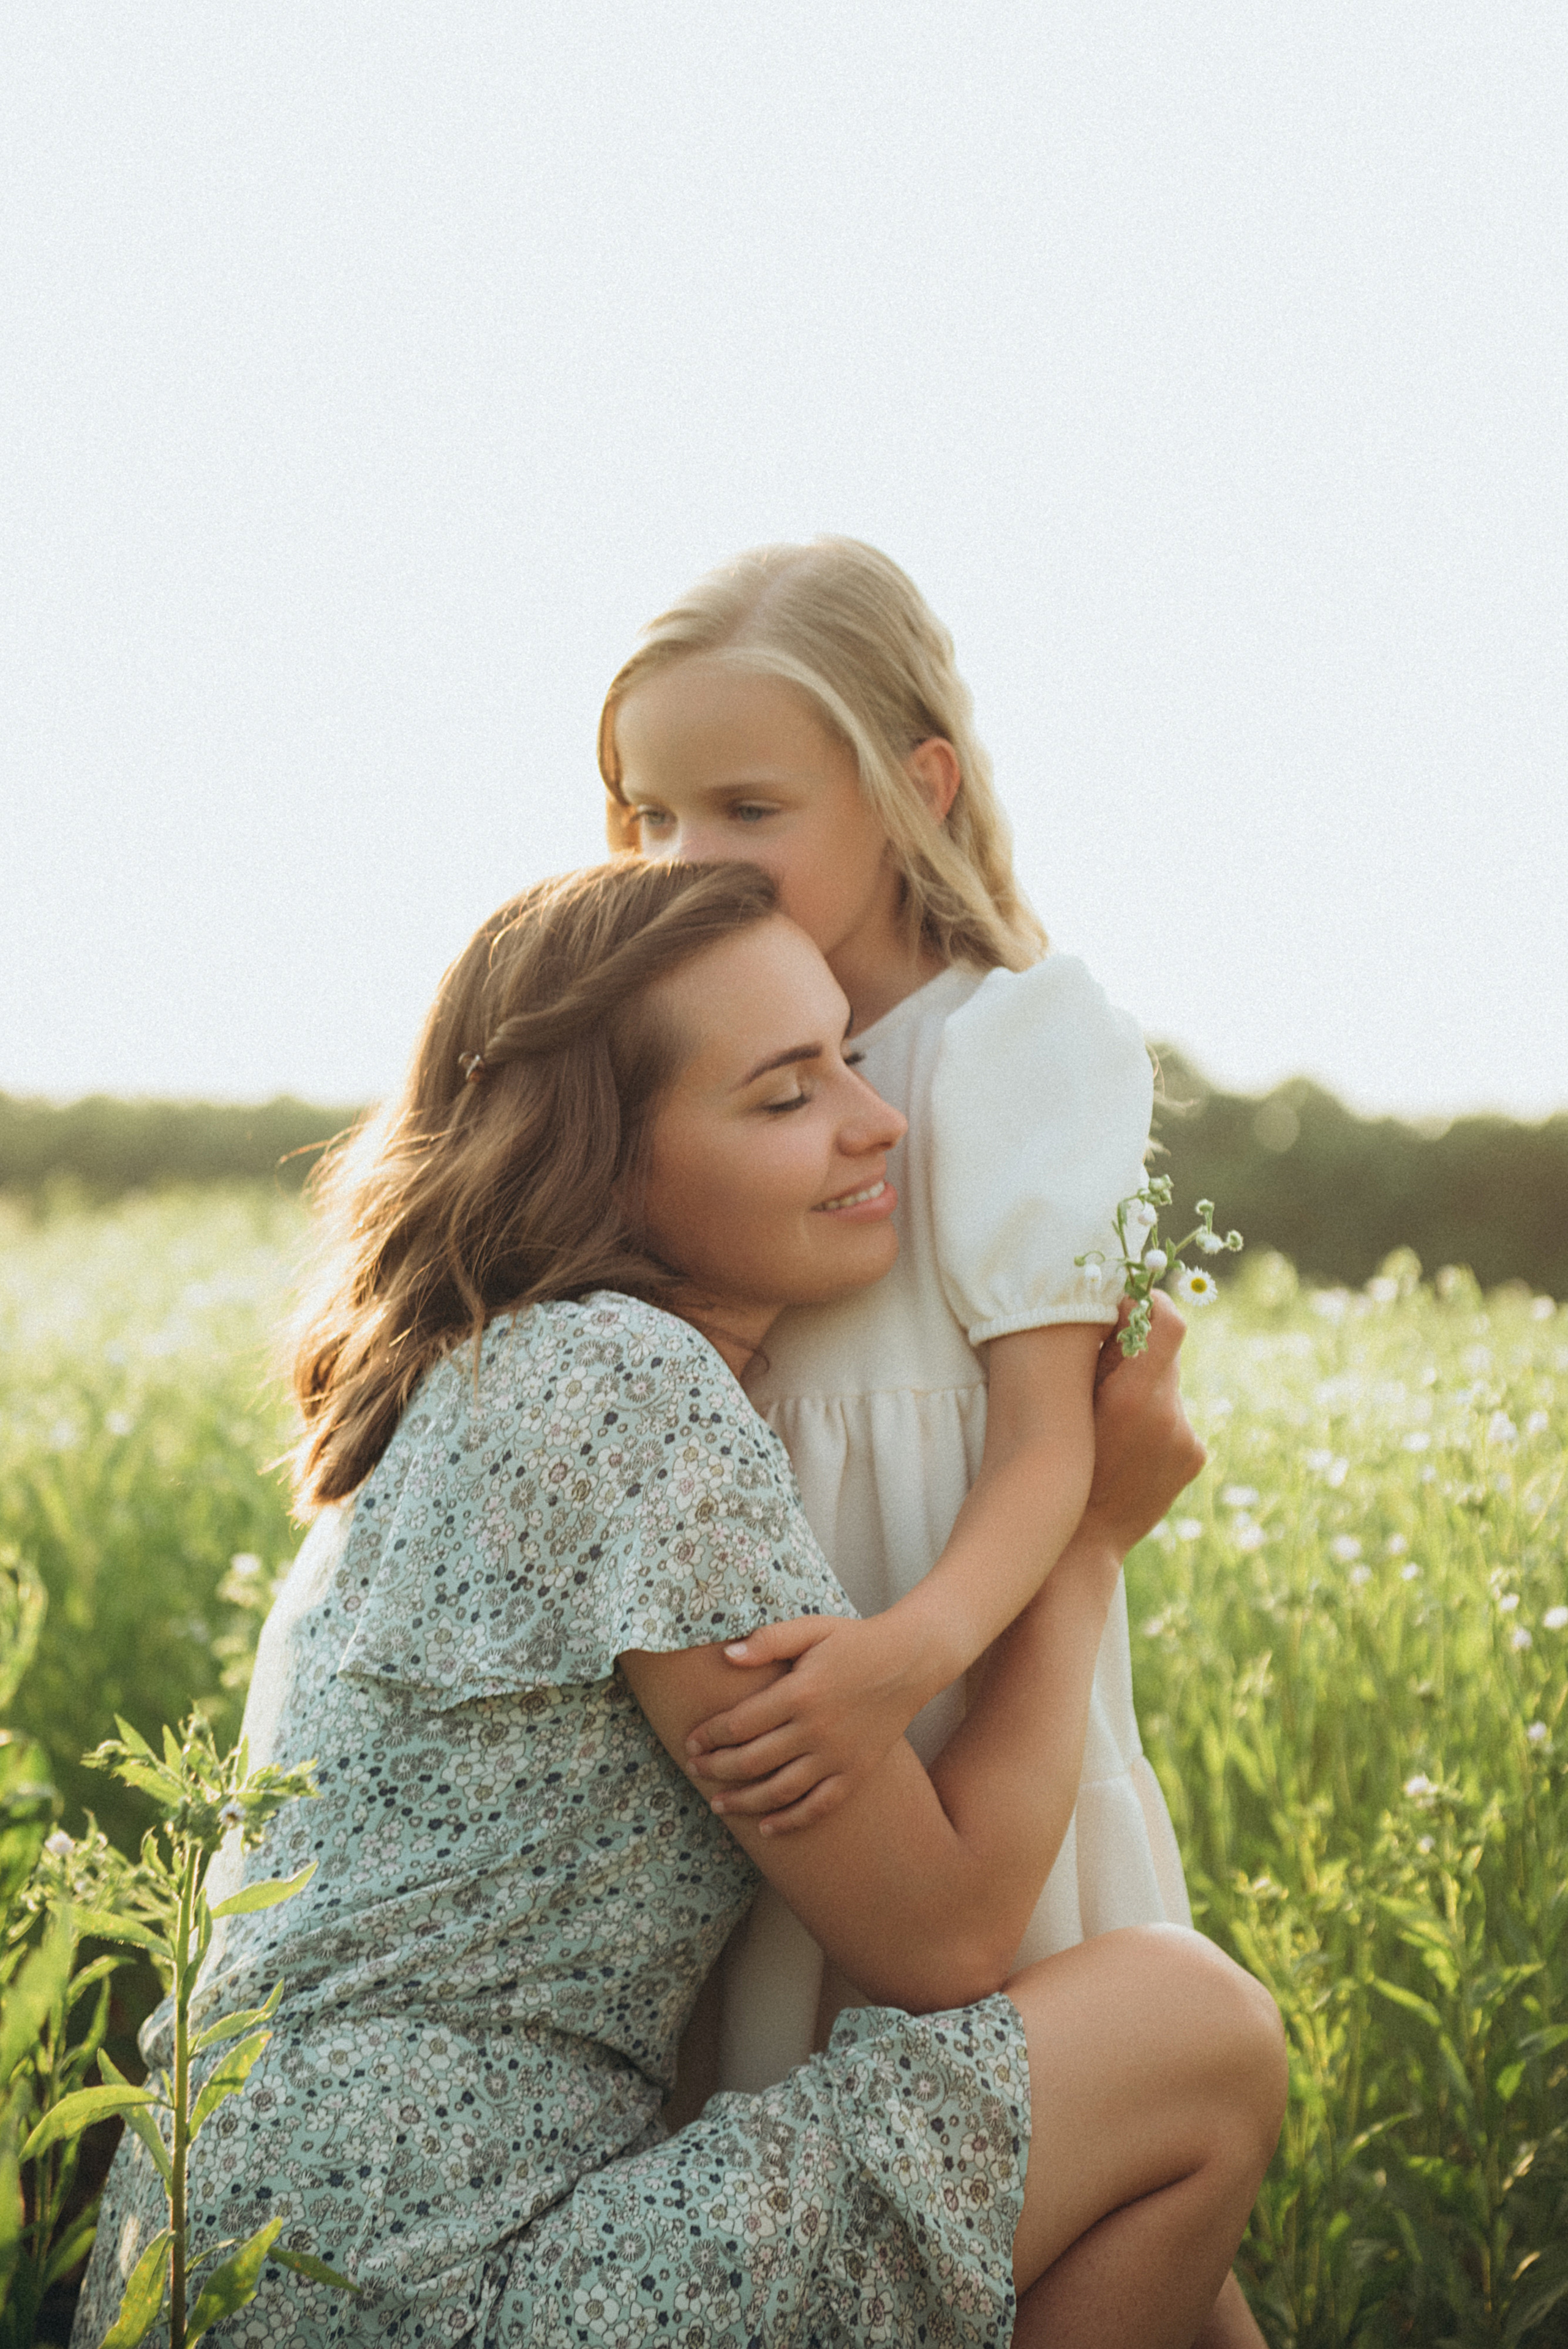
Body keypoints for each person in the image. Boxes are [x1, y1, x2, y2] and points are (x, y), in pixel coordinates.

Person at [75, 861, 1283, 2349]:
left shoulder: (459, 1389)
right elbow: (947, 1932)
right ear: (600, 1167)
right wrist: (1086, 1539)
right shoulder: (617, 1388)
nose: (877, 1115)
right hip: (433, 2286)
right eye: (785, 1096)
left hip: (211, 2261)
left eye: (847, 1052)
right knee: (1194, 2036)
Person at [597, 539, 1191, 2108]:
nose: (681, 858)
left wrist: (895, 1659)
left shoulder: (1004, 1041)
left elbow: (1052, 1442)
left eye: (746, 808)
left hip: (949, 1687)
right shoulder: (672, 1063)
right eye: (649, 812)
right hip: (765, 1720)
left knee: (1020, 2133)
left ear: (917, 785)